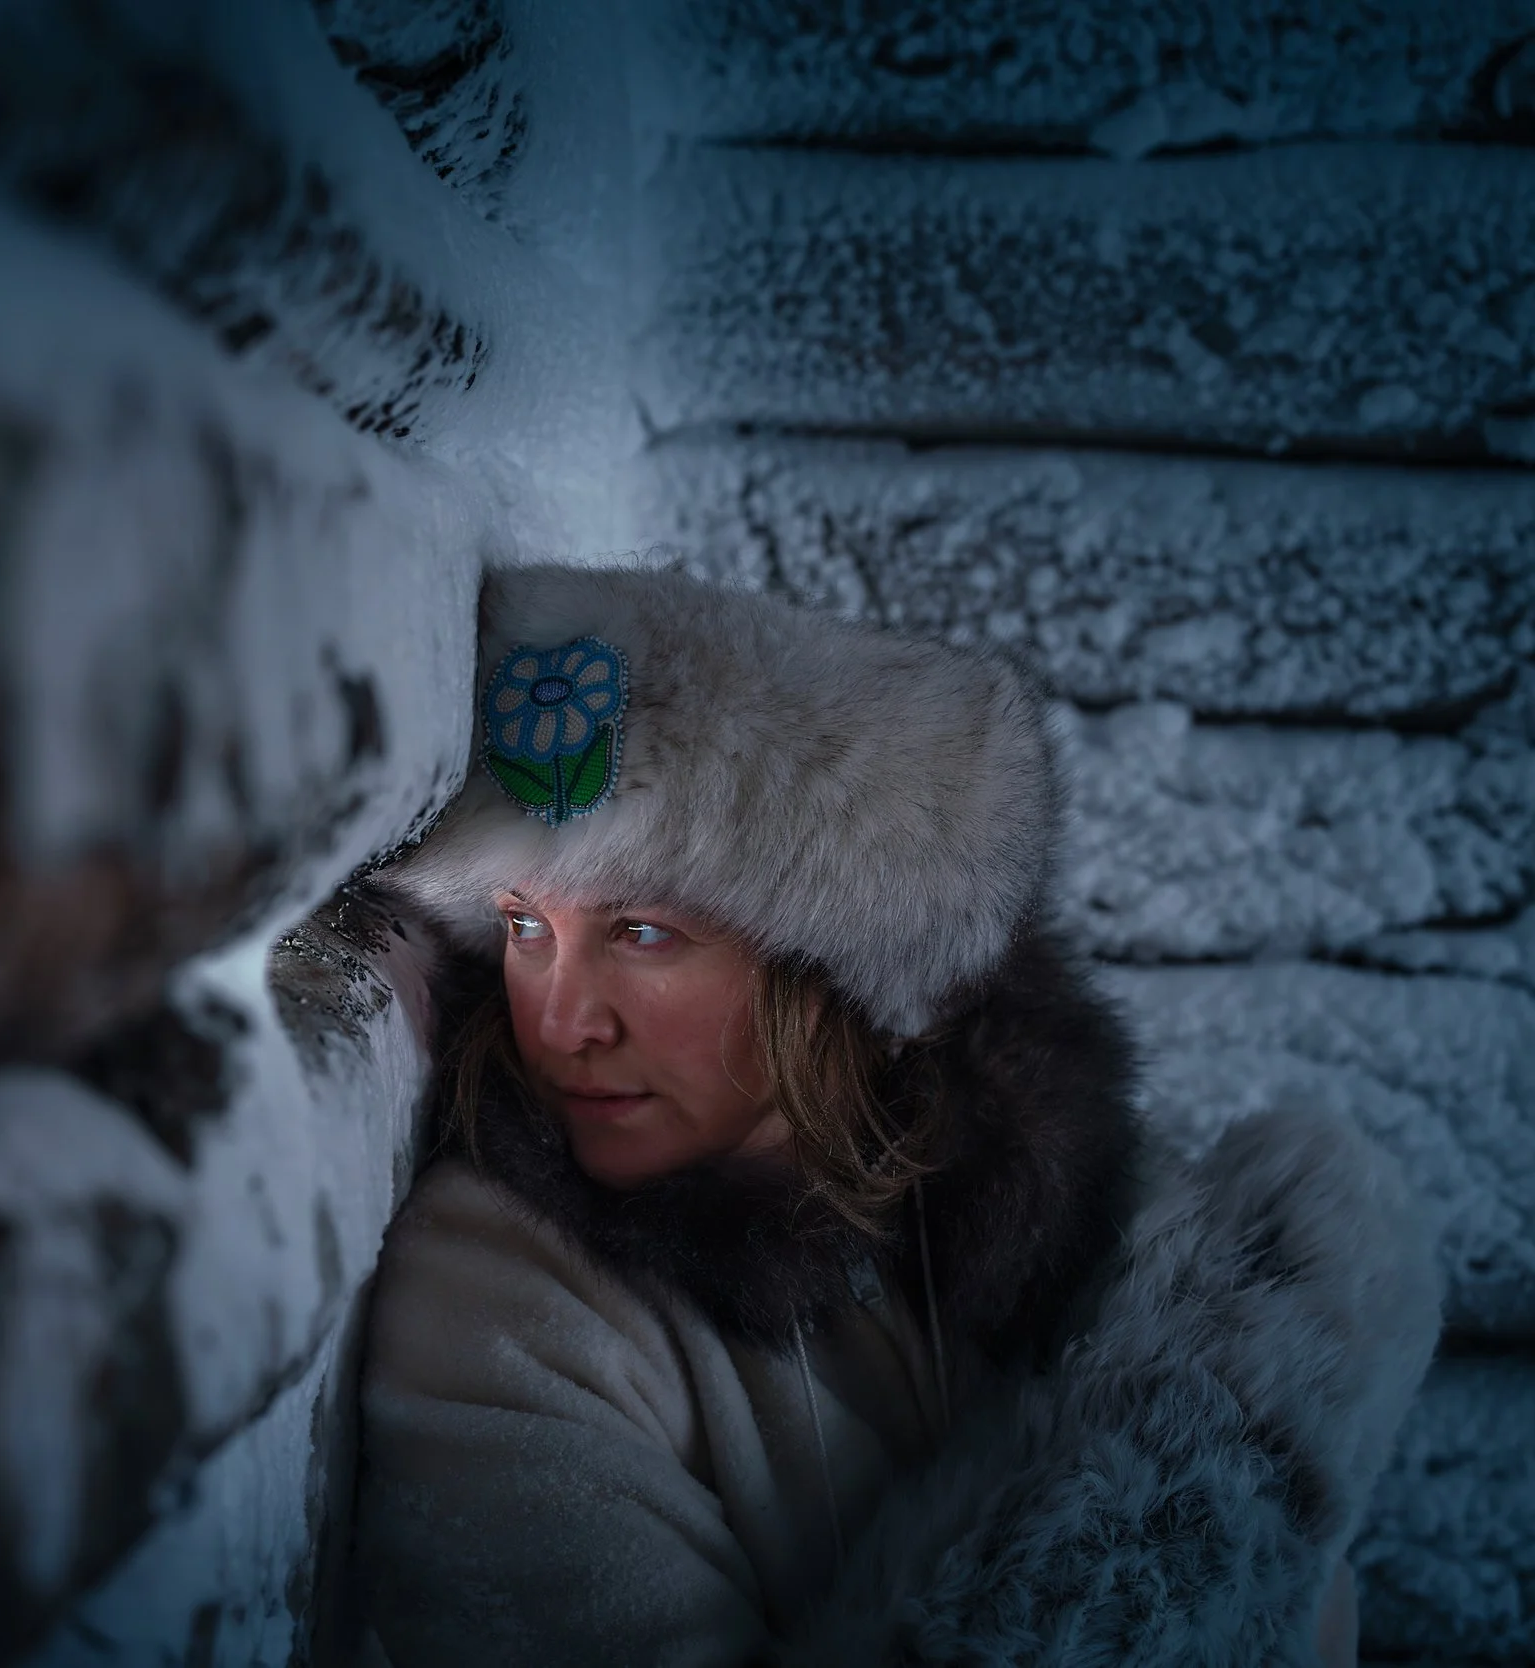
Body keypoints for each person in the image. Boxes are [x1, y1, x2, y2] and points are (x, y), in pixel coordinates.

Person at [356, 565, 1434, 1666]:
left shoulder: (1116, 1251)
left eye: (639, 933)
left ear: (829, 968)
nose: (558, 1020)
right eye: (523, 927)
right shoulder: (503, 1295)